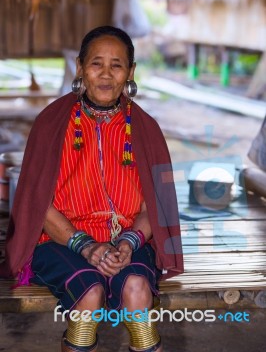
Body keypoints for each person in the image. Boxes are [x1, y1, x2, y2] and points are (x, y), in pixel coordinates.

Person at [0, 26, 183, 352]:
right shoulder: (51, 123)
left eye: (117, 64)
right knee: (89, 293)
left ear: (131, 71)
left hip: (128, 238)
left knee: (137, 288)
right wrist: (85, 246)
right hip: (60, 241)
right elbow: (36, 202)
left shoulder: (145, 128)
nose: (106, 74)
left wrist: (129, 242)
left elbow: (155, 207)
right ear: (81, 67)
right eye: (96, 63)